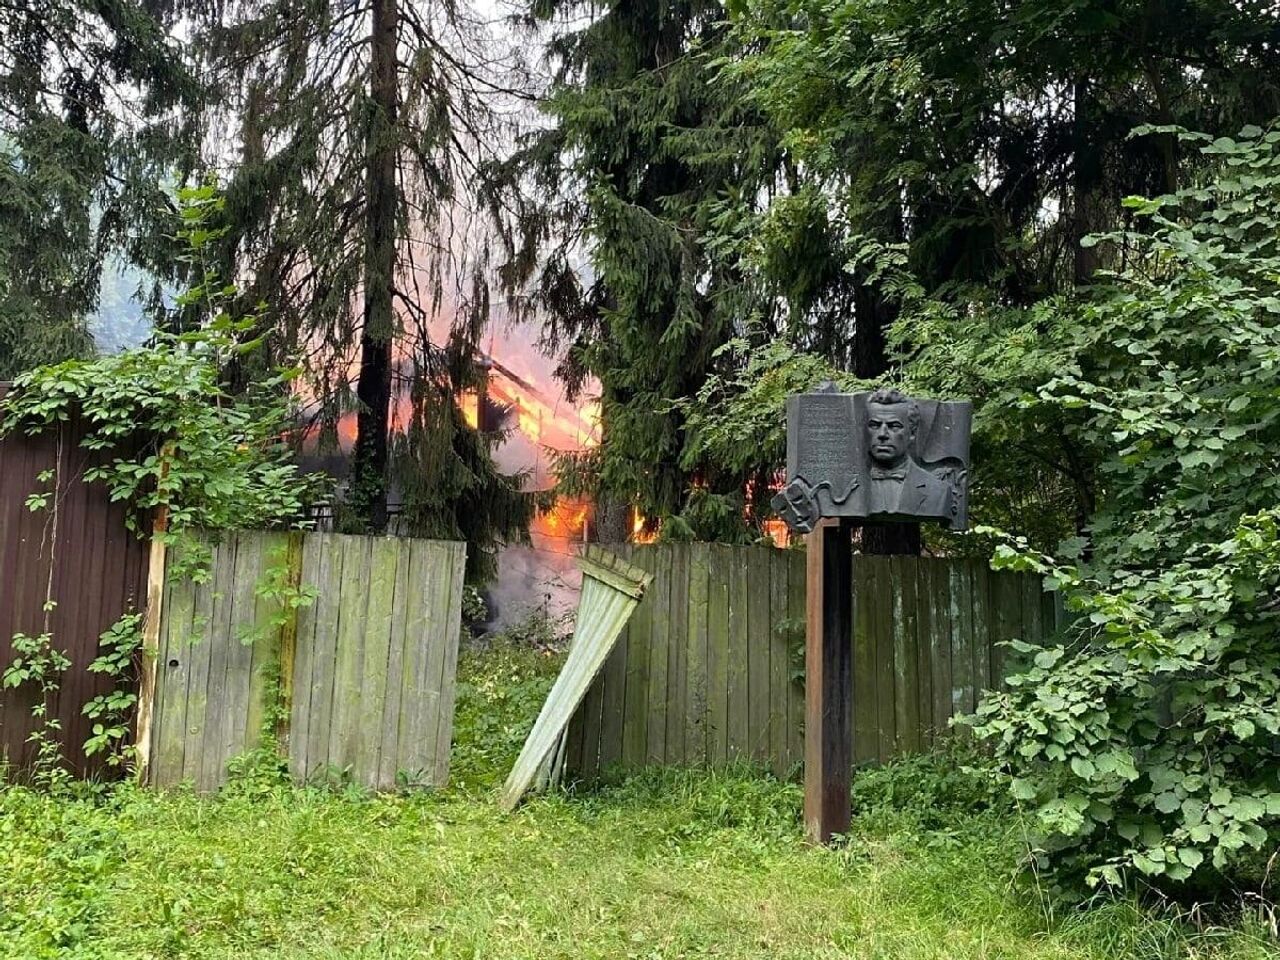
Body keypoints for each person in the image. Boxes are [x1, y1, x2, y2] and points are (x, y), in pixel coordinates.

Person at [863, 387, 953, 518]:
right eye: (875, 425)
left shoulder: (939, 491)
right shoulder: (849, 487)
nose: (882, 434)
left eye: (894, 426)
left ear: (912, 433)